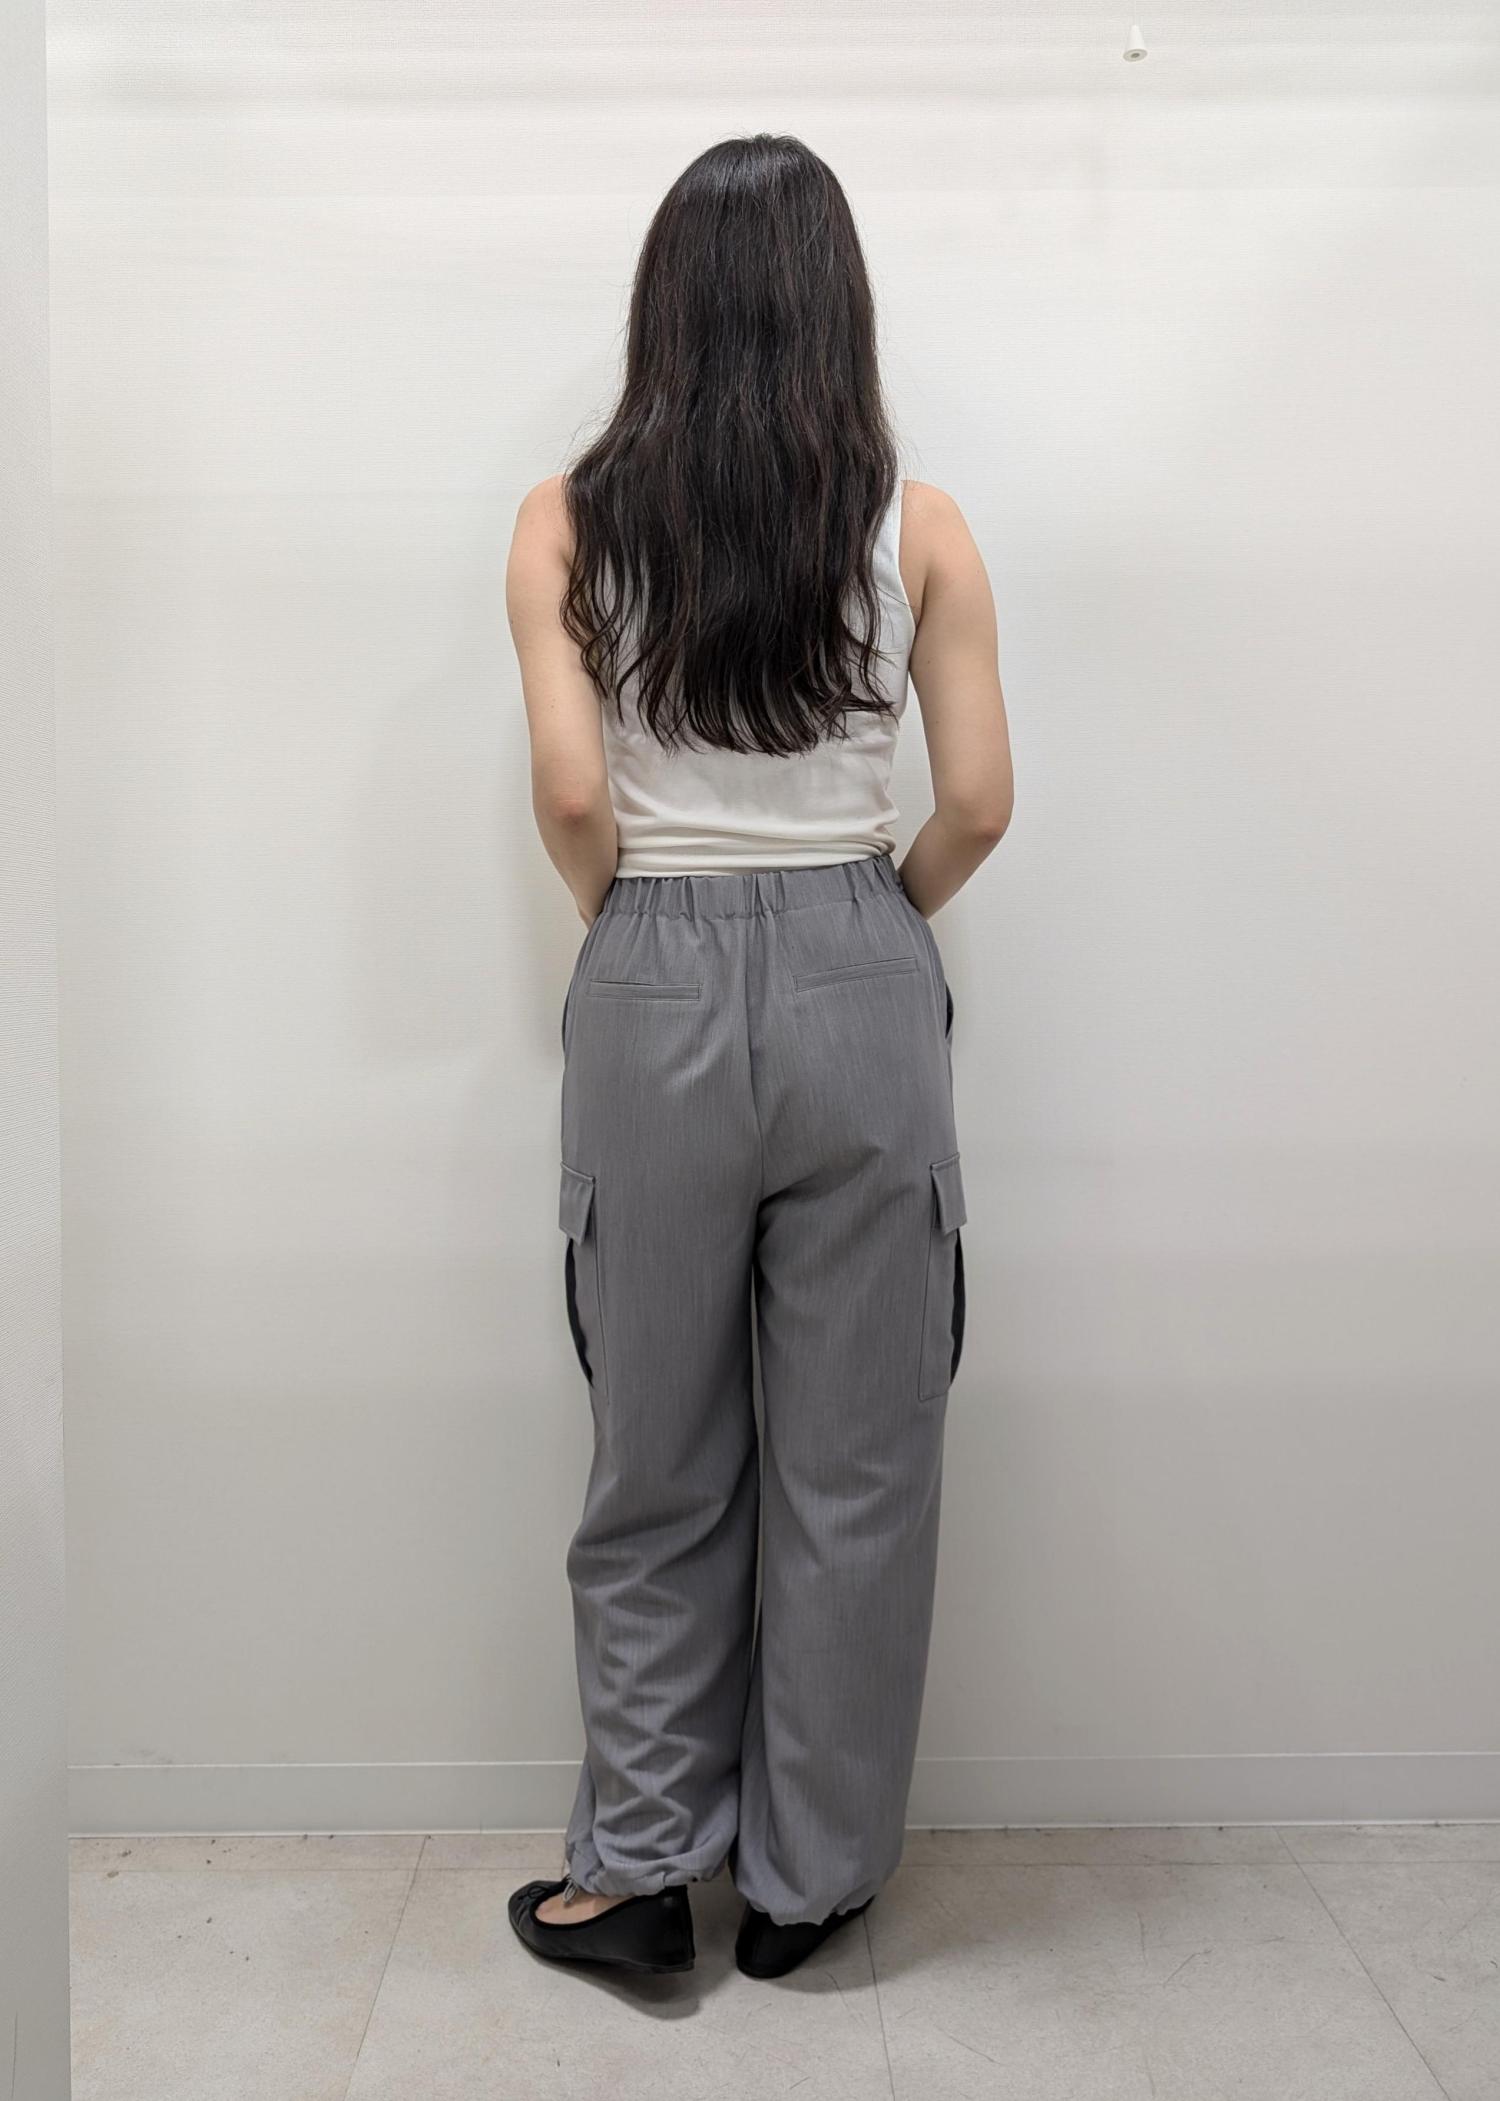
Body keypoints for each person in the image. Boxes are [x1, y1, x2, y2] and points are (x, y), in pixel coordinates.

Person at [504, 133, 1012, 1982]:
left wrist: (633, 934)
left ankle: (641, 1874)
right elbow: (979, 802)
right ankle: (808, 1884)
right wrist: (870, 922)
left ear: (667, 309)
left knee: (657, 1452)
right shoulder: (920, 526)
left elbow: (576, 795)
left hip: (651, 966)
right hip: (861, 968)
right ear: (834, 307)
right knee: (858, 1465)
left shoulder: (564, 522)